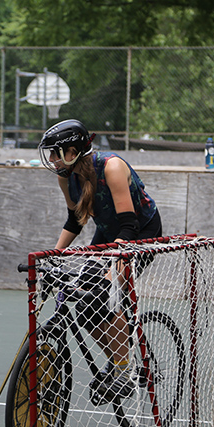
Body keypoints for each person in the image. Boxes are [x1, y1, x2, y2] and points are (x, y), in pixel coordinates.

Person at [38, 119, 162, 405]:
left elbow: (129, 226)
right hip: (107, 233)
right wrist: (52, 256)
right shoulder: (65, 176)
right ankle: (119, 358)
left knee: (108, 294)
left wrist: (111, 272)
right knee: (83, 303)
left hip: (140, 232)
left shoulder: (112, 167)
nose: (53, 160)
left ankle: (123, 371)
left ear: (74, 151)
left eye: (57, 153)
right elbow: (75, 220)